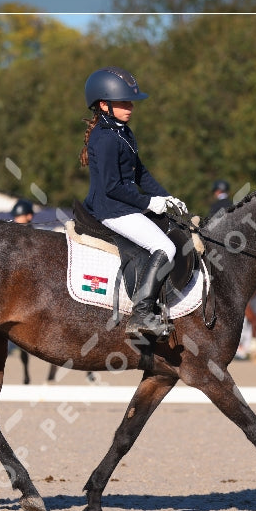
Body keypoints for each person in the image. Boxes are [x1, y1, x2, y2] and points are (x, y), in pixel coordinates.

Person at [79, 66, 187, 338]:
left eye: (130, 102)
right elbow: (112, 187)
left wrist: (166, 197)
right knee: (165, 246)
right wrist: (149, 204)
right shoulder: (104, 138)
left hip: (125, 205)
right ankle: (141, 314)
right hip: (111, 209)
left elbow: (140, 173)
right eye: (123, 102)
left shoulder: (123, 132)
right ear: (104, 104)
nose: (130, 107)